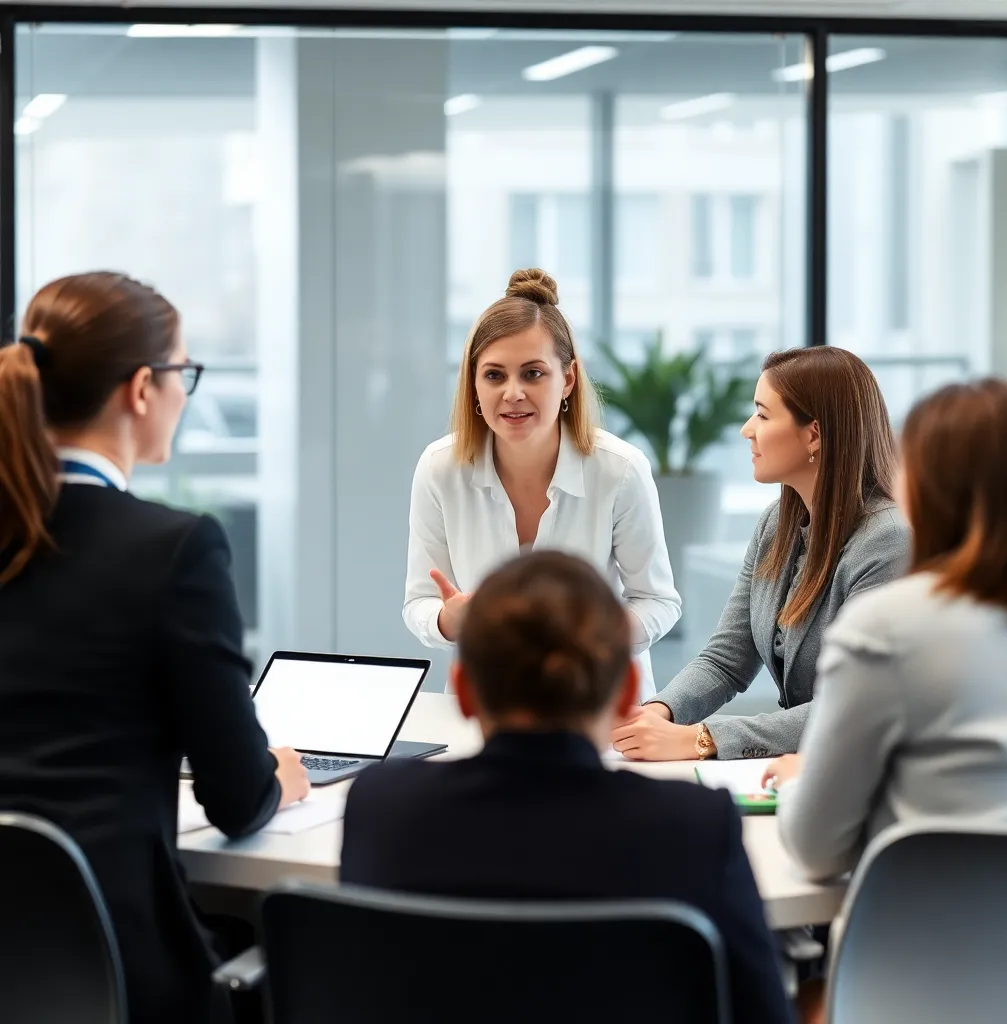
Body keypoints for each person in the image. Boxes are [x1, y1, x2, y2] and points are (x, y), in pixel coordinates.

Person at [0, 272, 309, 1024]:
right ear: (142, 388)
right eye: (182, 373)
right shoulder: (174, 550)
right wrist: (279, 774)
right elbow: (237, 799)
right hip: (124, 975)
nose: (182, 394)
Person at [345, 550, 792, 1024]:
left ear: (465, 690)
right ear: (627, 692)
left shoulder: (382, 807)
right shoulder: (695, 826)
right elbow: (761, 1011)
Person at [769, 378, 1007, 881]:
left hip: (915, 927)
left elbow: (816, 851)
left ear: (923, 488)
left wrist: (801, 781)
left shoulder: (888, 627)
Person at [612, 346, 909, 761]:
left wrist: (703, 738)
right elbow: (726, 659)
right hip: (811, 765)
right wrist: (656, 713)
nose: (746, 430)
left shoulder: (889, 542)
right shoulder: (776, 524)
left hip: (871, 770)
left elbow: (855, 706)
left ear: (814, 434)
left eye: (763, 415)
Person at [403, 268, 679, 699]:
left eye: (532, 374)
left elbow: (658, 602)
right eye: (494, 375)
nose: (512, 393)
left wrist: (591, 635)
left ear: (567, 379)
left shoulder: (620, 469)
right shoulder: (440, 468)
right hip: (491, 703)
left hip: (598, 702)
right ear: (473, 384)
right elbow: (420, 601)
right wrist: (449, 621)